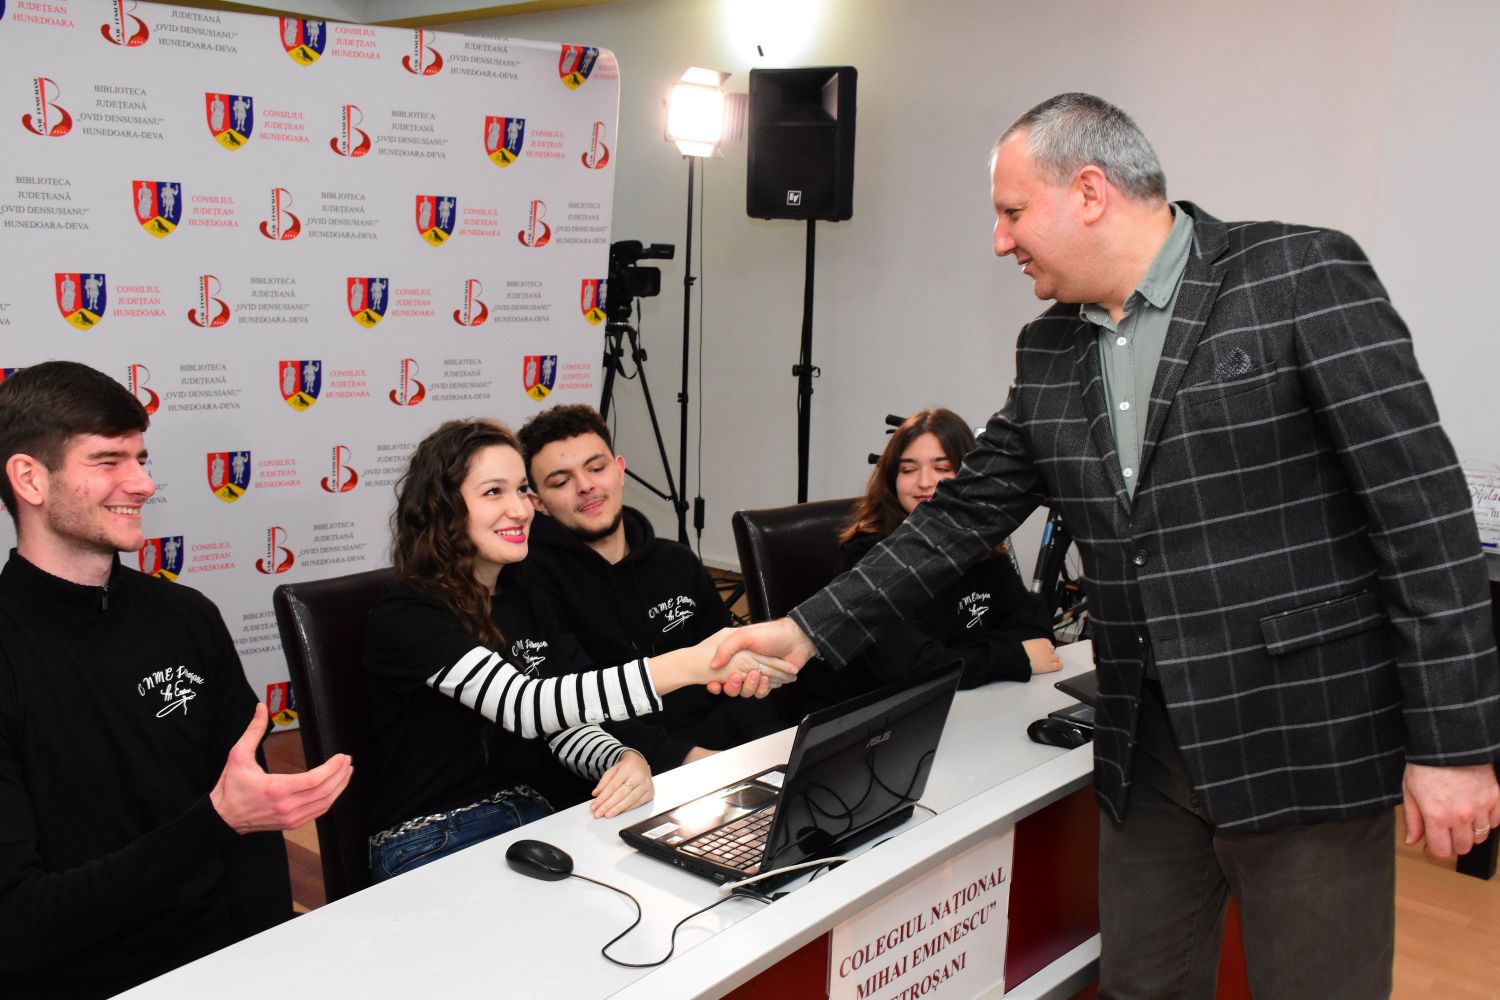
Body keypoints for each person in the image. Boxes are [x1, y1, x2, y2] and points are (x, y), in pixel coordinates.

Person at [713, 93, 1500, 999]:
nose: (1000, 242)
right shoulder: (1048, 349)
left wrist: (1453, 744)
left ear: (1089, 192)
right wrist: (806, 630)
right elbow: (960, 518)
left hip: (1303, 739)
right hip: (1146, 746)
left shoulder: (1298, 275)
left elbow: (1423, 516)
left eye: (1013, 212)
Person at [0, 361, 352, 999]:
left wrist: (274, 962)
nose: (142, 483)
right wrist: (218, 820)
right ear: (30, 478)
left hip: (228, 963)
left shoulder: (186, 615)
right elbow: (19, 927)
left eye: (140, 458)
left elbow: (252, 829)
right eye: (108, 460)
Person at [362, 418, 785, 882]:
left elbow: (563, 726)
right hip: (432, 834)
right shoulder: (410, 611)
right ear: (442, 506)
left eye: (521, 490)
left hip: (532, 816)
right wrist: (687, 665)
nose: (518, 509)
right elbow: (525, 706)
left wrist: (621, 757)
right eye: (493, 492)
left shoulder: (522, 594)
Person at [516, 404, 782, 773]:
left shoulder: (678, 561)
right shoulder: (529, 585)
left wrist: (771, 747)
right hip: (630, 774)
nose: (586, 486)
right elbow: (574, 715)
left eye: (596, 468)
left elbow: (739, 675)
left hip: (730, 759)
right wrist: (695, 764)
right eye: (561, 482)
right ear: (537, 503)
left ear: (619, 470)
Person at [798, 408, 1060, 715]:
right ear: (892, 479)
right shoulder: (867, 555)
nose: (925, 482)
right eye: (909, 470)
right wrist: (1013, 656)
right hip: (864, 718)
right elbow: (912, 670)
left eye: (942, 468)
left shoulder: (978, 544)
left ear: (971, 477)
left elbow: (1035, 628)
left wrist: (956, 658)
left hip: (957, 705)